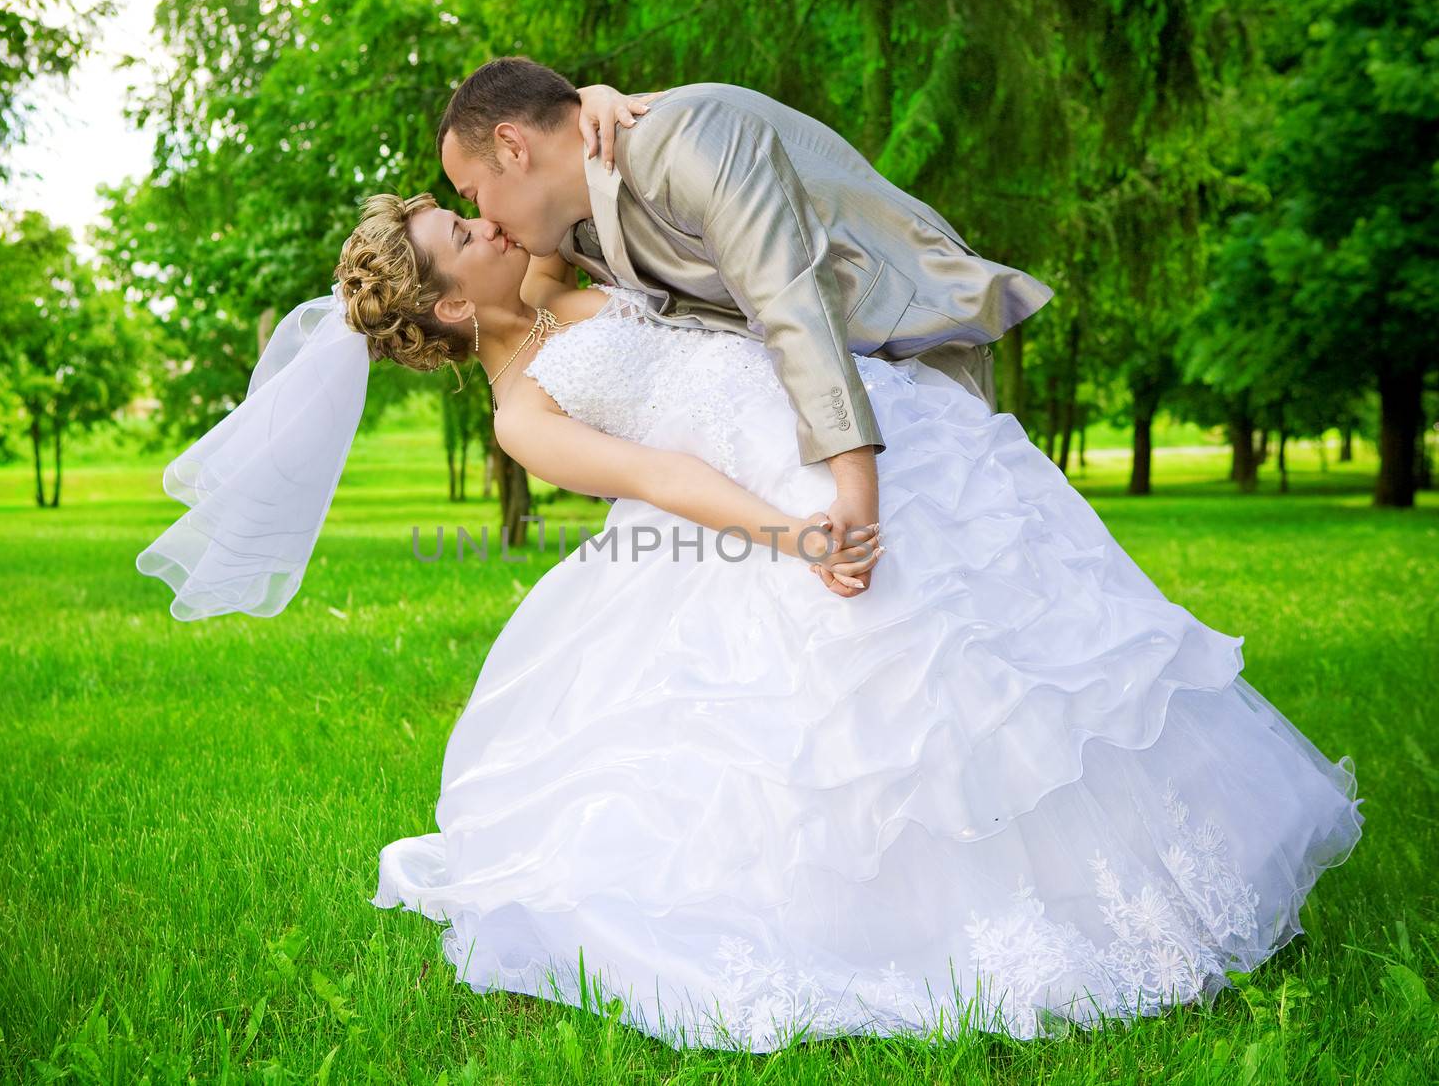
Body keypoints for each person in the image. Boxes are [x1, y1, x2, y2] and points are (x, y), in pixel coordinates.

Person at [312, 190, 1365, 1051]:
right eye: (461, 235)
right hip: (768, 498)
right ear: (450, 307)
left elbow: (587, 178)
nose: (483, 220)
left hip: (852, 414)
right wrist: (793, 534)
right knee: (878, 701)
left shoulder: (548, 270)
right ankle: (932, 916)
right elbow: (664, 474)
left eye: (468, 211)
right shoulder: (524, 414)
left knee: (1017, 649)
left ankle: (1153, 873)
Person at [436, 57, 1057, 596]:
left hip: (897, 334)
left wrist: (855, 492)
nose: (481, 217)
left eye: (471, 195)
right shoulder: (568, 226)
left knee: (961, 571)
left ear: (514, 148)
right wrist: (586, 99)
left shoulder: (687, 143)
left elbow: (790, 301)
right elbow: (503, 296)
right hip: (785, 424)